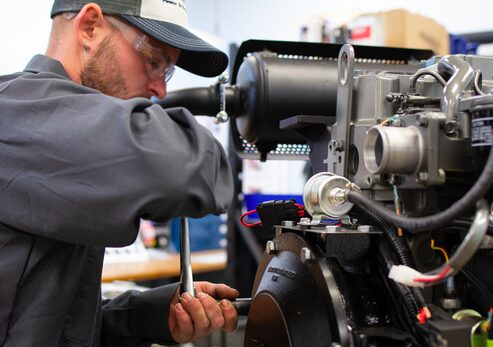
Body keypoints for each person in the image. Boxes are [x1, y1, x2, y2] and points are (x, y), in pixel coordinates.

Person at [0, 0, 239, 346]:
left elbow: (49, 323)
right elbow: (188, 168)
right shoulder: (19, 114)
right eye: (154, 61)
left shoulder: (70, 142)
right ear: (90, 27)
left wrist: (150, 315)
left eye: (167, 72)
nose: (161, 90)